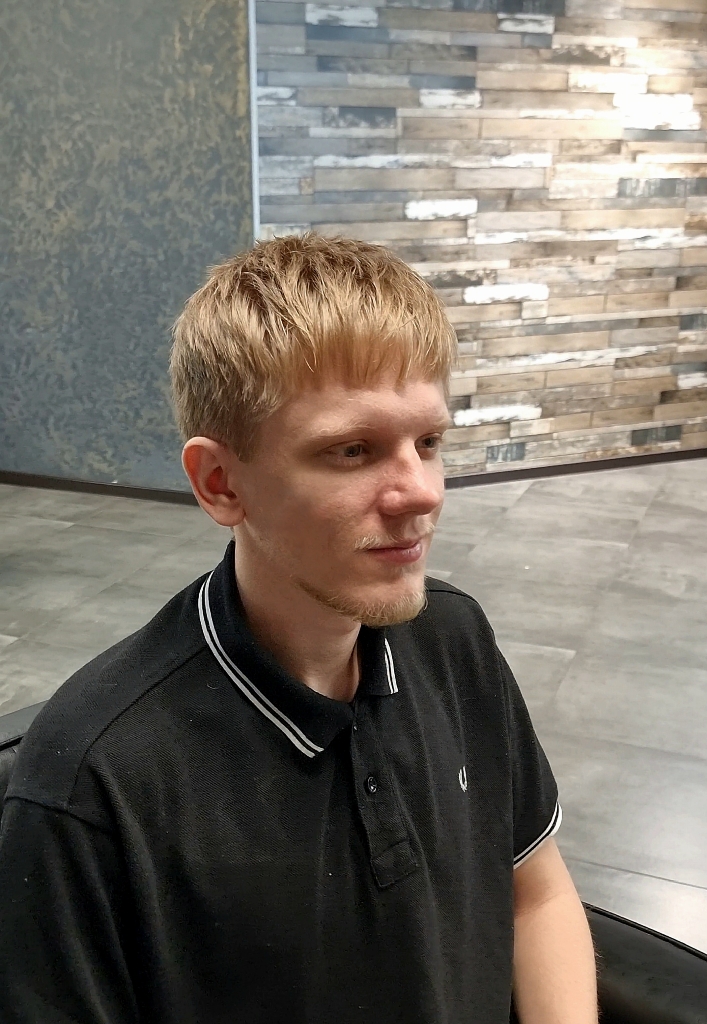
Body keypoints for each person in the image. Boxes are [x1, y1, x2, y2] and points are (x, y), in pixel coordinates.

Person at [0, 234, 598, 1023]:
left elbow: (533, 894)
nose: (421, 492)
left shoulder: (452, 637)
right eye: (352, 450)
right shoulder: (94, 783)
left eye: (428, 442)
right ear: (221, 483)